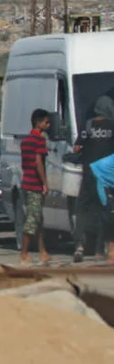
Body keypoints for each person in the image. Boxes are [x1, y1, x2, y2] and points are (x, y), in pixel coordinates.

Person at [74, 96, 114, 261]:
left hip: (89, 174)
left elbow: (76, 148)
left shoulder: (88, 125)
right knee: (107, 211)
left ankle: (79, 246)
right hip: (106, 177)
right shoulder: (112, 125)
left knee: (82, 210)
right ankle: (103, 248)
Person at [20, 108, 53, 266]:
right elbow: (38, 162)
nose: (49, 124)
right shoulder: (39, 140)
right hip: (35, 185)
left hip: (26, 183)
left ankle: (43, 252)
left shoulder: (25, 141)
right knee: (33, 220)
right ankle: (24, 253)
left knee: (39, 220)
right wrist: (45, 183)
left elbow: (25, 163)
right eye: (46, 122)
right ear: (39, 123)